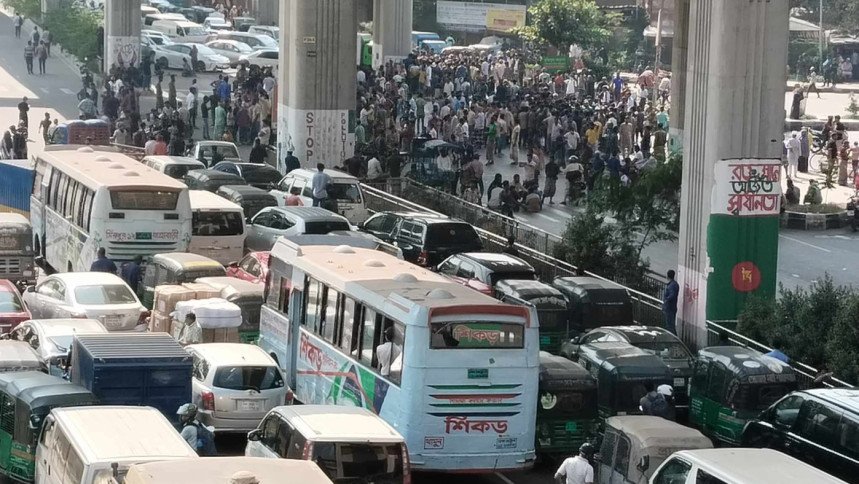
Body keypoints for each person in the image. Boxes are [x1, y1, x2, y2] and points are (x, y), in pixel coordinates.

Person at [662, 269, 679, 334]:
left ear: (667, 276)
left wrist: (666, 300)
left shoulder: (671, 286)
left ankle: (674, 339)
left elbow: (672, 295)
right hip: (672, 307)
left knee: (670, 326)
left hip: (669, 308)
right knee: (670, 325)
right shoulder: (675, 284)